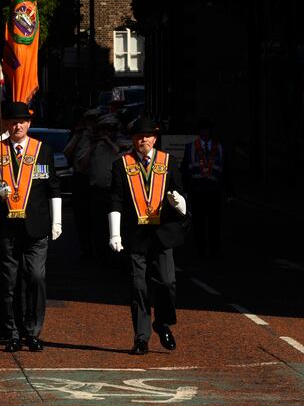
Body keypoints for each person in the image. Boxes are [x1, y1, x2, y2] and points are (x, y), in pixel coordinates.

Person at [0, 101, 62, 353]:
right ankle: (13, 331)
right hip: (6, 227)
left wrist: (56, 220)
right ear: (5, 124)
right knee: (10, 281)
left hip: (36, 226)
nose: (18, 126)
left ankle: (33, 331)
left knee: (36, 277)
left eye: (23, 122)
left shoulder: (43, 150)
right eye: (13, 122)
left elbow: (53, 188)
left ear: (29, 124)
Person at [108, 117, 190, 355]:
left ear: (155, 138)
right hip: (136, 234)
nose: (142, 140)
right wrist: (115, 233)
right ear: (132, 138)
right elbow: (116, 199)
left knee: (167, 282)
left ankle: (162, 323)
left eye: (147, 136)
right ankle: (141, 337)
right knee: (138, 286)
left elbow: (180, 191)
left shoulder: (168, 161)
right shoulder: (121, 164)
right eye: (138, 136)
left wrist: (180, 204)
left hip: (163, 233)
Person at [182, 118, 228, 259]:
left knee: (215, 222)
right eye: (202, 130)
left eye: (207, 130)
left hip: (214, 190)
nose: (205, 133)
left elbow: (225, 169)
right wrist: (185, 190)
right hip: (197, 190)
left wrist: (228, 191)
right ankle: (201, 249)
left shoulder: (218, 147)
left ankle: (215, 249)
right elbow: (185, 169)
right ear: (199, 132)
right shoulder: (190, 147)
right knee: (199, 222)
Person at [87, 114, 123, 258]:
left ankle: (114, 254)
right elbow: (82, 164)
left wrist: (108, 141)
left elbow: (118, 153)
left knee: (114, 225)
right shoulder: (95, 146)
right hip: (97, 190)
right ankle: (100, 254)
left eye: (111, 129)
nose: (108, 132)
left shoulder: (121, 143)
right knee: (98, 224)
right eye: (105, 129)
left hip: (113, 190)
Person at [64, 109, 98, 259]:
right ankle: (86, 250)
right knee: (81, 218)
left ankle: (97, 250)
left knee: (96, 219)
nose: (90, 125)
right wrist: (79, 134)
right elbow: (68, 152)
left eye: (93, 121)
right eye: (88, 121)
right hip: (81, 179)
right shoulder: (80, 136)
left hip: (97, 181)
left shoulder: (102, 139)